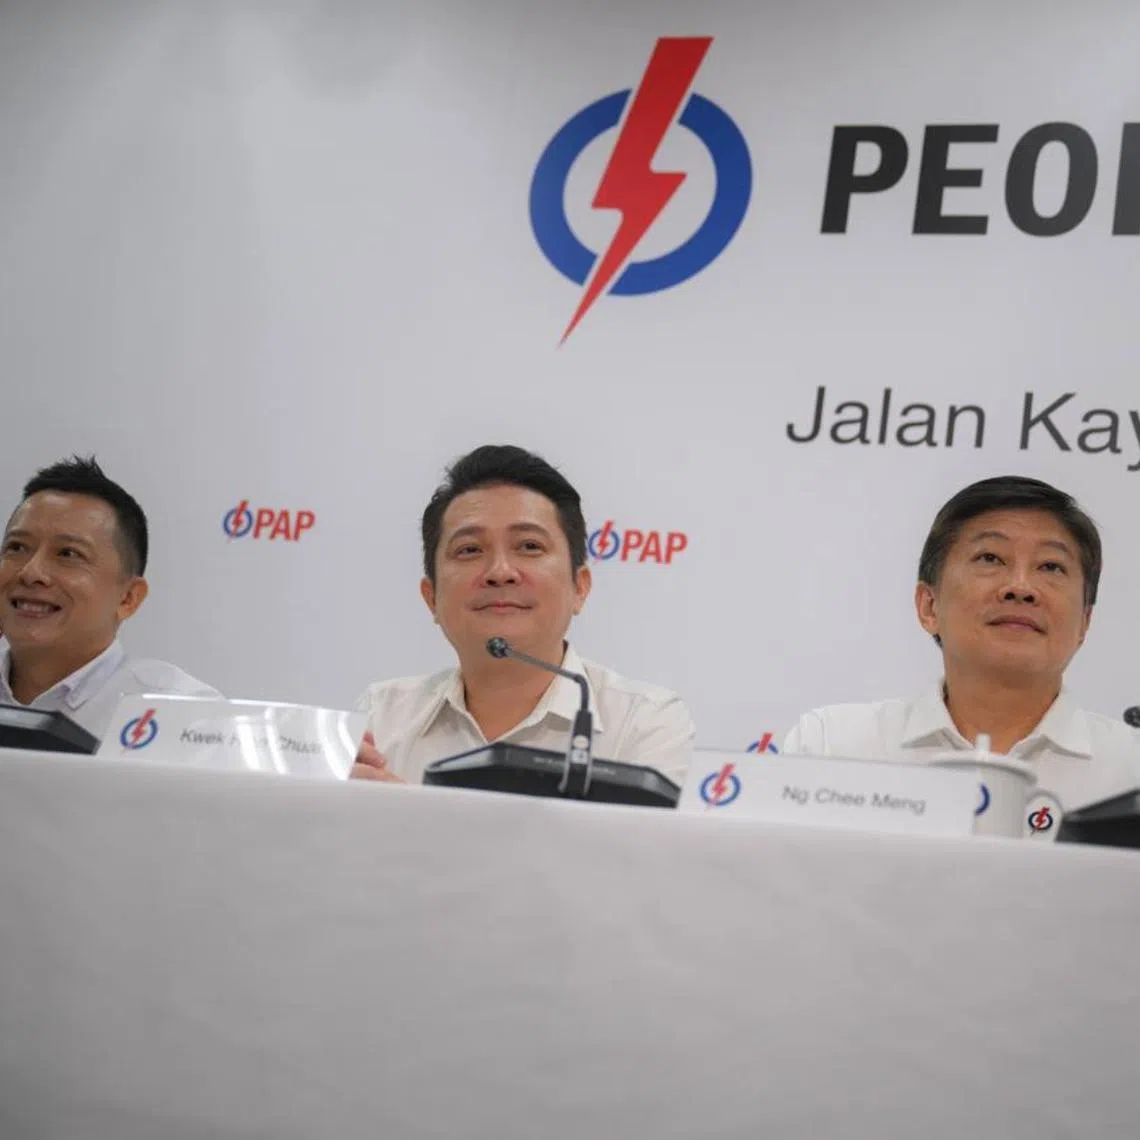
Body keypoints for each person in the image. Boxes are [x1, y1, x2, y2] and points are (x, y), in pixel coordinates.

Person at [783, 475, 1140, 811]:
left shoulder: (1130, 770)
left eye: (1050, 567)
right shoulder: (833, 748)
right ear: (929, 606)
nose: (1021, 587)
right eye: (990, 558)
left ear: (1085, 622)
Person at [351, 445, 694, 785]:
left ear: (580, 587)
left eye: (529, 546)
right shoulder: (382, 716)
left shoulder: (643, 723)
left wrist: (399, 815)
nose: (500, 572)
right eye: (469, 550)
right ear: (432, 598)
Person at [0, 455, 220, 742]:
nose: (31, 572)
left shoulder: (181, 715)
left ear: (128, 598)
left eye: (68, 554)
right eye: (17, 547)